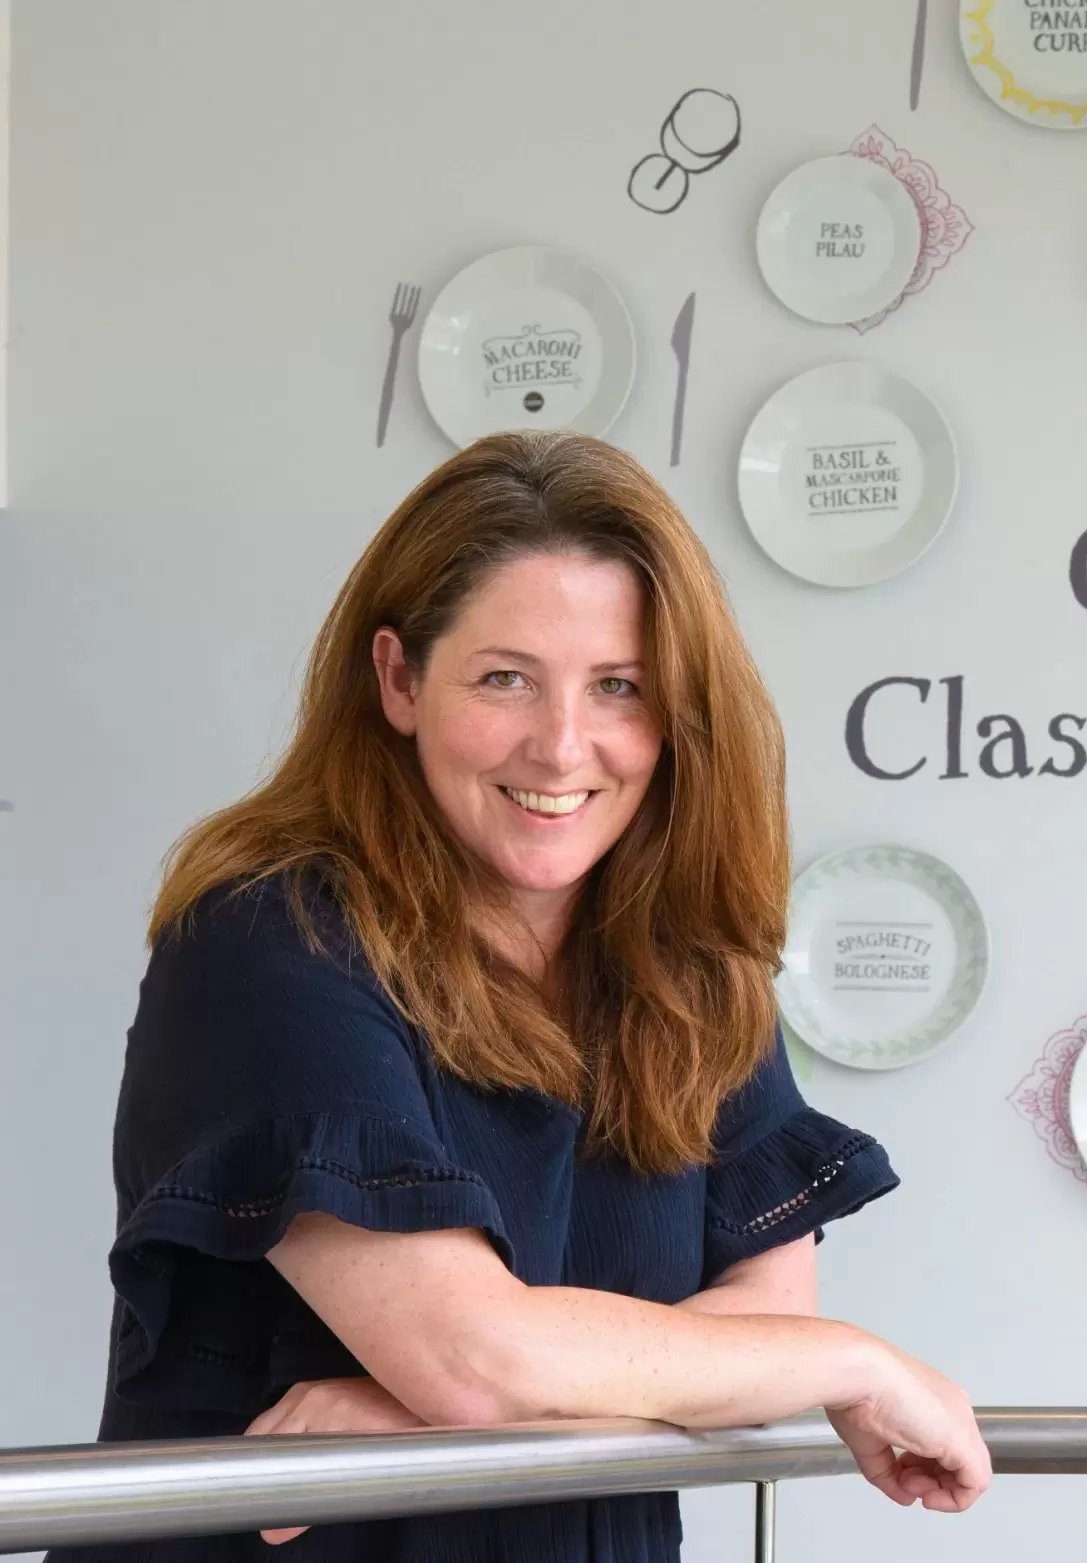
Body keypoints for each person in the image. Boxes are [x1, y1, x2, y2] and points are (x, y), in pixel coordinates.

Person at [57, 432, 990, 1561]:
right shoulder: (270, 939)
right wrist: (857, 1360)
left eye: (618, 688)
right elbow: (476, 1358)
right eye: (504, 678)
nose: (561, 746)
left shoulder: (688, 961)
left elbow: (763, 1320)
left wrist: (414, 1416)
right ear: (399, 679)